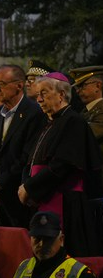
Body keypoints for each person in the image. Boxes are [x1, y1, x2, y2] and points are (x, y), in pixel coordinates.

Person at [18, 73, 103, 256]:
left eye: (44, 93)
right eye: (38, 94)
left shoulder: (74, 122)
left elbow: (63, 165)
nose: (39, 99)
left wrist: (30, 188)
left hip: (65, 201)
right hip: (43, 196)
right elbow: (30, 160)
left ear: (61, 95)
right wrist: (25, 184)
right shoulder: (49, 123)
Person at [0, 64, 46, 227]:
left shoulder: (34, 113)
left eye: (0, 84)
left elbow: (26, 157)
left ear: (19, 85)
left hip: (20, 197)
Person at [10, 211, 99, 278]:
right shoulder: (23, 267)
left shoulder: (81, 275)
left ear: (61, 240)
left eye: (48, 239)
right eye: (37, 239)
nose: (41, 244)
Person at [70, 66, 103, 156]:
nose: (78, 91)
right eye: (77, 87)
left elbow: (82, 135)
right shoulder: (85, 111)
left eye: (82, 86)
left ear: (98, 86)